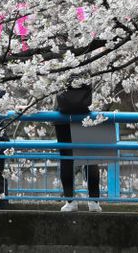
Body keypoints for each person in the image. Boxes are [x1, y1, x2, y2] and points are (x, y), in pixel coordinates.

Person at [55, 84, 101, 212]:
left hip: (62, 115)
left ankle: (70, 202)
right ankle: (94, 202)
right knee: (90, 158)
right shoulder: (88, 71)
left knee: (66, 158)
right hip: (85, 113)